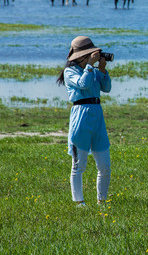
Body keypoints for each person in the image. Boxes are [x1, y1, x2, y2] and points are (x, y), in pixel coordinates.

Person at [56, 36, 112, 207]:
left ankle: (102, 201)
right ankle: (79, 202)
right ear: (81, 56)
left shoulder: (93, 71)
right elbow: (83, 84)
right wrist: (90, 66)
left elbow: (107, 88)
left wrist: (101, 69)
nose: (92, 57)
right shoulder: (70, 72)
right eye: (89, 54)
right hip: (81, 116)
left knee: (105, 166)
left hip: (97, 117)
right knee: (78, 165)